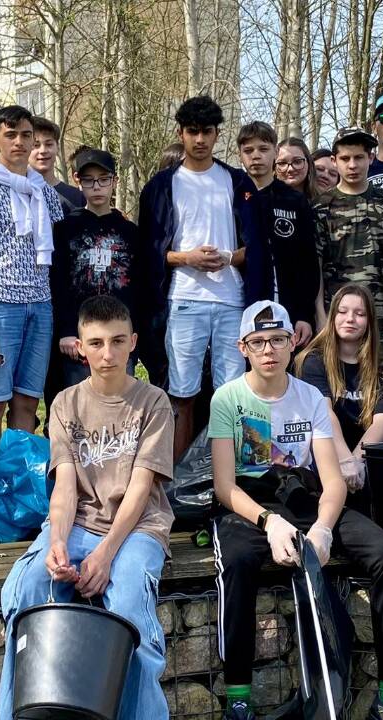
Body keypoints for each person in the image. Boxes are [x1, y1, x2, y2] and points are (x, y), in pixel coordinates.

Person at [209, 300, 383, 720]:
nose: (269, 350)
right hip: (250, 506)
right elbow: (225, 486)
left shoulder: (311, 398)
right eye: (258, 342)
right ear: (243, 348)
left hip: (306, 498)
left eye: (277, 340)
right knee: (238, 562)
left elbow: (333, 480)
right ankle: (239, 698)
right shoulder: (227, 398)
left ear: (292, 344)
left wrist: (322, 528)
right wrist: (268, 522)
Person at [0, 295, 174, 720]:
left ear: (133, 342)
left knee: (129, 607)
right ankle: (17, 713)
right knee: (26, 590)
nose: (107, 354)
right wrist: (57, 542)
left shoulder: (154, 402)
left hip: (137, 528)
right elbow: (65, 487)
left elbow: (140, 490)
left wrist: (106, 553)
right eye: (96, 343)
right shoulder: (65, 403)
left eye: (117, 341)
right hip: (77, 523)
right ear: (80, 347)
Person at [137, 95, 268, 461]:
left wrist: (229, 257)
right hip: (183, 299)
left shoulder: (237, 181)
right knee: (181, 393)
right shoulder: (161, 186)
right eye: (192, 131)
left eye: (206, 131)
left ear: (216, 135)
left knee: (239, 391)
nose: (199, 139)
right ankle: (175, 479)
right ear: (181, 133)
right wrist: (187, 258)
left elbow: (257, 247)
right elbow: (148, 251)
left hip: (232, 300)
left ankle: (250, 472)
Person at [0, 105, 64, 448]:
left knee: (27, 403)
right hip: (0, 306)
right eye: (10, 135)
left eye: (25, 135)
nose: (19, 142)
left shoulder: (44, 192)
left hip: (41, 305)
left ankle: (17, 474)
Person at [50, 149, 152, 389]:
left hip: (119, 333)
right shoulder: (65, 229)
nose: (96, 187)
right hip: (79, 335)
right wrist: (66, 329)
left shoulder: (130, 232)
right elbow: (58, 282)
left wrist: (134, 332)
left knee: (118, 399)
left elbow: (140, 286)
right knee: (79, 400)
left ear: (115, 181)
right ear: (77, 180)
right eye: (89, 180)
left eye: (103, 179)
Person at [314, 127, 383, 389]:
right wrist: (321, 316)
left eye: (359, 157)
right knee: (342, 386)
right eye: (345, 158)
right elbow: (315, 267)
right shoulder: (321, 207)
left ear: (371, 158)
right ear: (334, 161)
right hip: (341, 317)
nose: (352, 165)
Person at [295, 285, 383, 513]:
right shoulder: (313, 360)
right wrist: (344, 459)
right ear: (332, 316)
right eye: (342, 312)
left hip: (369, 448)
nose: (350, 319)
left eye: (359, 314)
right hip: (329, 445)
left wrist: (356, 460)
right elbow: (324, 414)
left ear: (369, 321)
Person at [237, 121, 318, 344]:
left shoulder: (294, 200)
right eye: (248, 150)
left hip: (287, 308)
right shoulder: (233, 197)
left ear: (275, 152)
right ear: (239, 155)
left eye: (263, 149)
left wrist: (304, 315)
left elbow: (308, 261)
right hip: (240, 307)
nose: (256, 156)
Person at [29, 116, 85, 213]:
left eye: (49, 144)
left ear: (57, 148)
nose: (43, 150)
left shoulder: (77, 197)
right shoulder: (15, 194)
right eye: (36, 145)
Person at [274, 137, 318, 201]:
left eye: (297, 162)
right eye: (282, 163)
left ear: (309, 163)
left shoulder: (323, 203)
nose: (290, 169)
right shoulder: (263, 202)